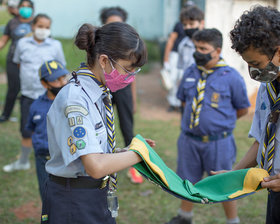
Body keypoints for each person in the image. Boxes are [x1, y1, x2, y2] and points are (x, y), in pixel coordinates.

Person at [41, 22, 155, 224]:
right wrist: (138, 155)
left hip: (94, 195)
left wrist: (125, 152)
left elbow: (94, 150)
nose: (130, 77)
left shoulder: (98, 92)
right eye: (128, 69)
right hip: (74, 201)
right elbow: (94, 166)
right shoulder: (76, 99)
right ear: (104, 61)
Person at [166, 28, 250, 224]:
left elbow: (242, 109)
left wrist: (219, 124)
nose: (198, 52)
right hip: (189, 140)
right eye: (196, 47)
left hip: (218, 142)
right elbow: (184, 102)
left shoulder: (231, 77)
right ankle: (184, 217)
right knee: (187, 180)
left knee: (223, 183)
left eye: (203, 48)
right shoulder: (190, 72)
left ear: (217, 50)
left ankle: (233, 221)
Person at [214, 5, 280, 224]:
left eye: (256, 64)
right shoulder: (267, 86)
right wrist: (233, 175)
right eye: (248, 65)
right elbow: (262, 141)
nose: (253, 73)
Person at [3, 13, 66, 172]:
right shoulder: (22, 43)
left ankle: (57, 160)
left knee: (55, 128)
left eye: (47, 27)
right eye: (40, 26)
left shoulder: (55, 45)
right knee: (26, 129)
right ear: (33, 26)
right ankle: (23, 161)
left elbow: (60, 69)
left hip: (51, 97)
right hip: (28, 95)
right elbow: (18, 64)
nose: (43, 30)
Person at [100, 6, 143, 184]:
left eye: (119, 24)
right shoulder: (98, 43)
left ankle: (133, 168)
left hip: (122, 88)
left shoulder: (130, 43)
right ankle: (101, 163)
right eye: (111, 25)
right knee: (100, 127)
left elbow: (131, 74)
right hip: (104, 87)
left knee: (127, 128)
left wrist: (133, 100)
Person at [26, 60, 68, 200]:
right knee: (46, 194)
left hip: (65, 158)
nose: (62, 83)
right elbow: (31, 129)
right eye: (56, 80)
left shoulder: (71, 102)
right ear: (44, 84)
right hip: (43, 158)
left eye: (63, 77)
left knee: (66, 195)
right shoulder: (36, 106)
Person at [165, 5, 204, 113]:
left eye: (191, 24)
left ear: (201, 24)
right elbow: (182, 71)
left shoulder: (209, 44)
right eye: (185, 25)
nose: (188, 27)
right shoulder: (182, 45)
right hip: (189, 90)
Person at [0, 0, 34, 123]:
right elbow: (3, 41)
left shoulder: (37, 23)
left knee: (31, 89)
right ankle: (6, 115)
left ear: (32, 9)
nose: (25, 9)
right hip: (13, 61)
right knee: (13, 89)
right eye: (23, 6)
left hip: (31, 62)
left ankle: (31, 116)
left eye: (28, 6)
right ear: (18, 8)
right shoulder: (12, 23)